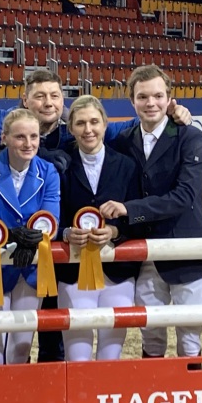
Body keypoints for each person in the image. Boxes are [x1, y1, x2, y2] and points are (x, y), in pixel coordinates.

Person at [0, 68, 193, 362]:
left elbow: (131, 124)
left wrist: (172, 114)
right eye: (40, 96)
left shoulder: (76, 128)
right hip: (18, 259)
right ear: (24, 101)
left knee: (49, 342)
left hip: (51, 258)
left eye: (54, 95)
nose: (48, 102)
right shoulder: (1, 124)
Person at [100, 64, 202, 361]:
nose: (150, 103)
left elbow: (184, 196)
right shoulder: (123, 140)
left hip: (186, 250)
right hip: (144, 253)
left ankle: (191, 386)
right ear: (132, 101)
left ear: (169, 99)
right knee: (150, 334)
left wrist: (130, 210)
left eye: (157, 96)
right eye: (142, 97)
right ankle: (153, 385)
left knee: (189, 336)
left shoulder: (190, 137)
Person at [0, 108, 60, 366]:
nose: (28, 143)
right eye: (20, 137)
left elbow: (50, 220)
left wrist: (34, 238)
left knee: (21, 346)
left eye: (34, 136)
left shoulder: (49, 172)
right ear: (4, 138)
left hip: (30, 267)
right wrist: (10, 236)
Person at [57, 95, 140, 361]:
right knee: (77, 355)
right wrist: (66, 232)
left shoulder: (126, 165)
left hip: (118, 272)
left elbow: (137, 215)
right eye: (80, 123)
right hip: (74, 271)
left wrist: (115, 231)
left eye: (94, 122)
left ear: (105, 124)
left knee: (110, 356)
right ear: (71, 128)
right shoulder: (61, 167)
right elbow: (52, 217)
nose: (88, 129)